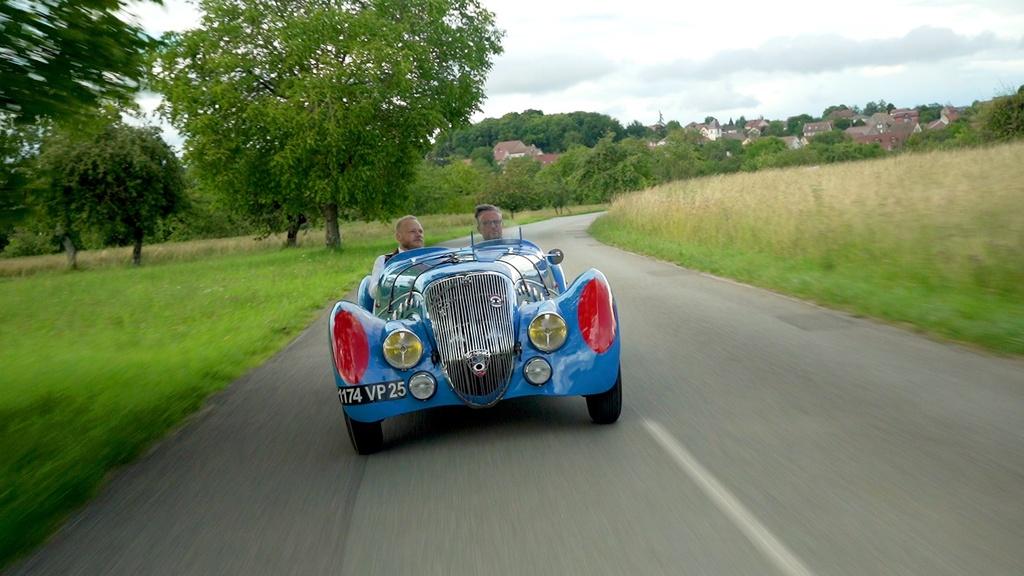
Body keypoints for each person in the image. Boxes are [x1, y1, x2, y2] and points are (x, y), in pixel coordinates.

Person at [369, 215, 424, 301]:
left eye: (420, 231)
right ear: (398, 237)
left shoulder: (430, 259)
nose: (418, 235)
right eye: (412, 231)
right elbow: (373, 291)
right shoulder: (384, 260)